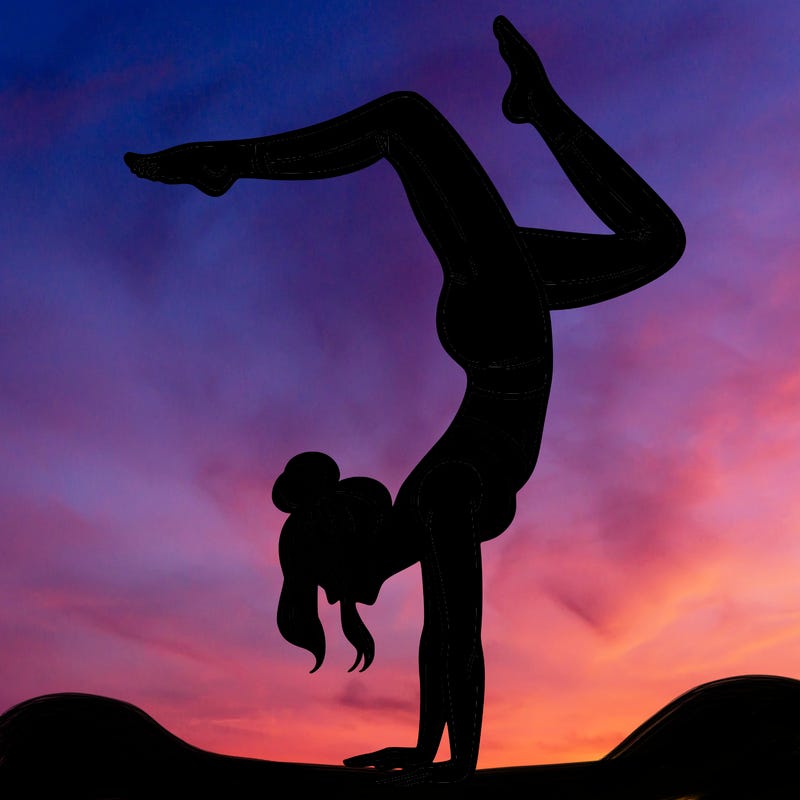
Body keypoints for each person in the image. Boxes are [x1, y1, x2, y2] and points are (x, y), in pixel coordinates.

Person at [125, 16, 685, 784]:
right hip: (501, 319)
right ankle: (232, 162)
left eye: (343, 502)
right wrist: (448, 762)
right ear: (349, 557)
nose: (359, 494)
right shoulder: (438, 503)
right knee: (405, 122)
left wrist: (439, 756)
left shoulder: (428, 504)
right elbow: (453, 633)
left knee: (653, 244)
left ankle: (534, 107)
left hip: (503, 323)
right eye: (346, 515)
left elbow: (443, 630)